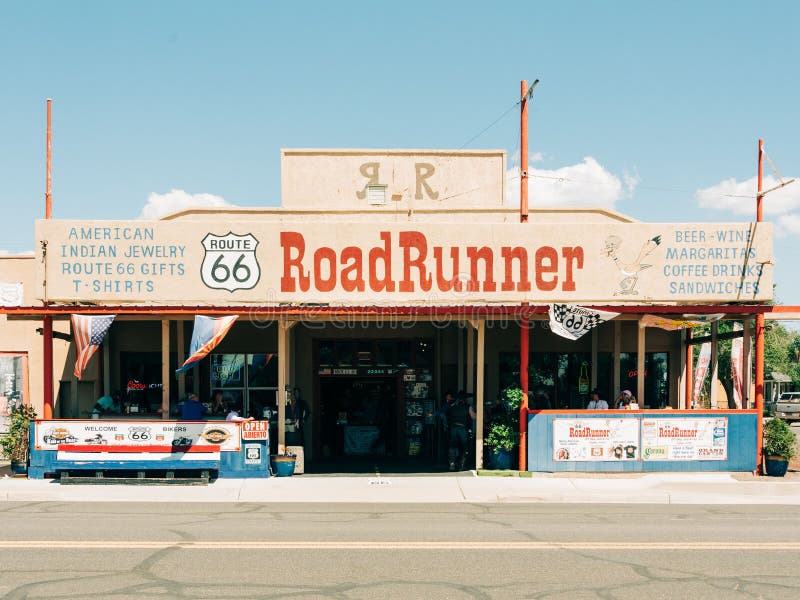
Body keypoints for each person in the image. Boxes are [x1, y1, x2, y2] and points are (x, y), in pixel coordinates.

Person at [441, 390, 476, 471]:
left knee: (452, 446)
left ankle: (452, 464)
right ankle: (461, 464)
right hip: (463, 428)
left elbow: (446, 416)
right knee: (464, 446)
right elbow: (473, 417)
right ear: (465, 399)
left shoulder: (452, 406)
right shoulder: (468, 406)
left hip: (453, 428)